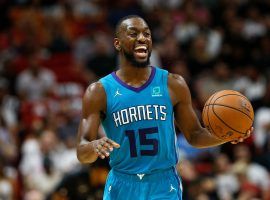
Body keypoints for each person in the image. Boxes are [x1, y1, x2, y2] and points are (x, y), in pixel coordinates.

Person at [76, 15, 252, 200]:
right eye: (133, 34)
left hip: (163, 183)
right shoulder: (99, 91)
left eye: (147, 34)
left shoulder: (173, 84)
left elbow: (194, 136)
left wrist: (227, 134)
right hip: (122, 183)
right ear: (118, 44)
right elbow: (82, 152)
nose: (142, 38)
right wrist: (94, 146)